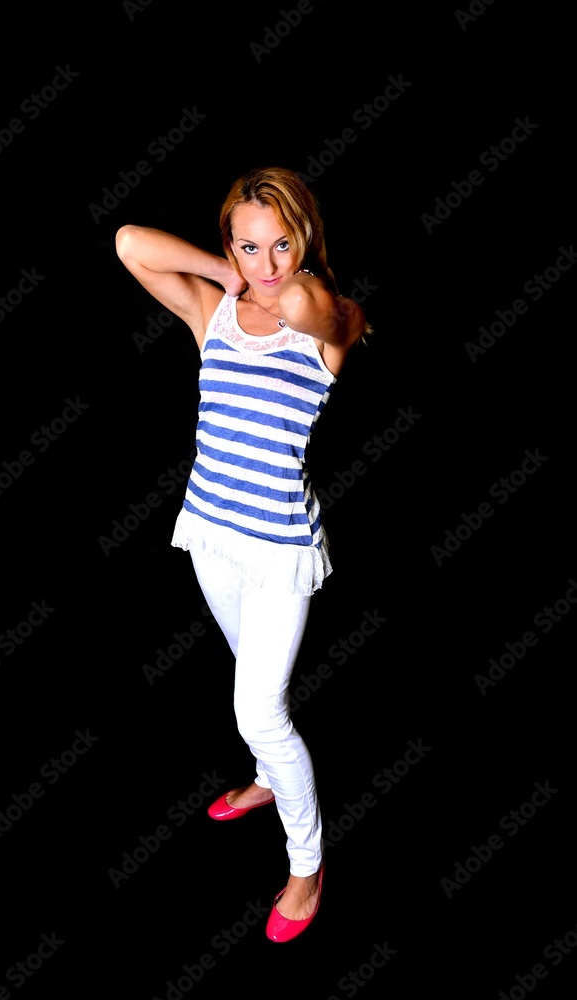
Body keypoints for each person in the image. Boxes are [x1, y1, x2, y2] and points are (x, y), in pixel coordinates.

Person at [115, 166, 370, 943]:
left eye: (281, 243)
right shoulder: (216, 310)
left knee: (258, 708)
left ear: (305, 238)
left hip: (278, 551)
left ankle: (306, 864)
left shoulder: (326, 319)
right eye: (248, 245)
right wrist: (223, 272)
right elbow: (130, 243)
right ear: (229, 244)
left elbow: (299, 301)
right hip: (211, 535)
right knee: (249, 681)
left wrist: (278, 271)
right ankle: (264, 778)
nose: (265, 262)